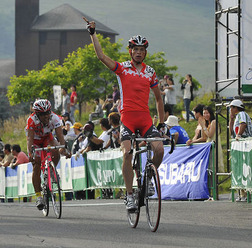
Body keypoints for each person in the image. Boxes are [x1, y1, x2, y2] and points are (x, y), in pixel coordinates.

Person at [86, 19, 165, 212]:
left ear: (145, 53)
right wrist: (93, 33)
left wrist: (161, 123)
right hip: (128, 118)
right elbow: (101, 56)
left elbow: (158, 99)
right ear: (130, 51)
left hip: (145, 119)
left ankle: (148, 177)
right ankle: (129, 195)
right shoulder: (122, 68)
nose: (138, 52)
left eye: (142, 50)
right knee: (127, 153)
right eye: (135, 49)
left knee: (159, 149)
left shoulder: (151, 72)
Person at [26, 99, 68, 210]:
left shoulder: (54, 118)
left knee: (56, 148)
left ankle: (51, 170)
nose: (46, 116)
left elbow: (60, 136)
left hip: (47, 138)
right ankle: (39, 196)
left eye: (48, 112)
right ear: (37, 114)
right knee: (36, 165)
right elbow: (29, 139)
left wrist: (63, 149)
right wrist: (31, 153)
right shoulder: (31, 120)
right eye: (43, 114)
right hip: (35, 141)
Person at [229, 99, 252, 202]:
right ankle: (242, 194)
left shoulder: (242, 114)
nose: (231, 109)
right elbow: (231, 132)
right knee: (239, 169)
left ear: (236, 107)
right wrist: (231, 120)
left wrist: (239, 135)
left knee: (246, 168)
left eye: (232, 107)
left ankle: (247, 194)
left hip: (246, 144)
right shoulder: (236, 116)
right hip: (240, 145)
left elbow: (243, 124)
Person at [198, 106, 224, 173]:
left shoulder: (214, 122)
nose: (205, 115)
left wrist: (203, 126)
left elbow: (210, 135)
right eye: (204, 113)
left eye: (207, 113)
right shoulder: (207, 124)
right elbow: (204, 138)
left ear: (211, 113)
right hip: (208, 146)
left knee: (214, 165)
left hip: (214, 146)